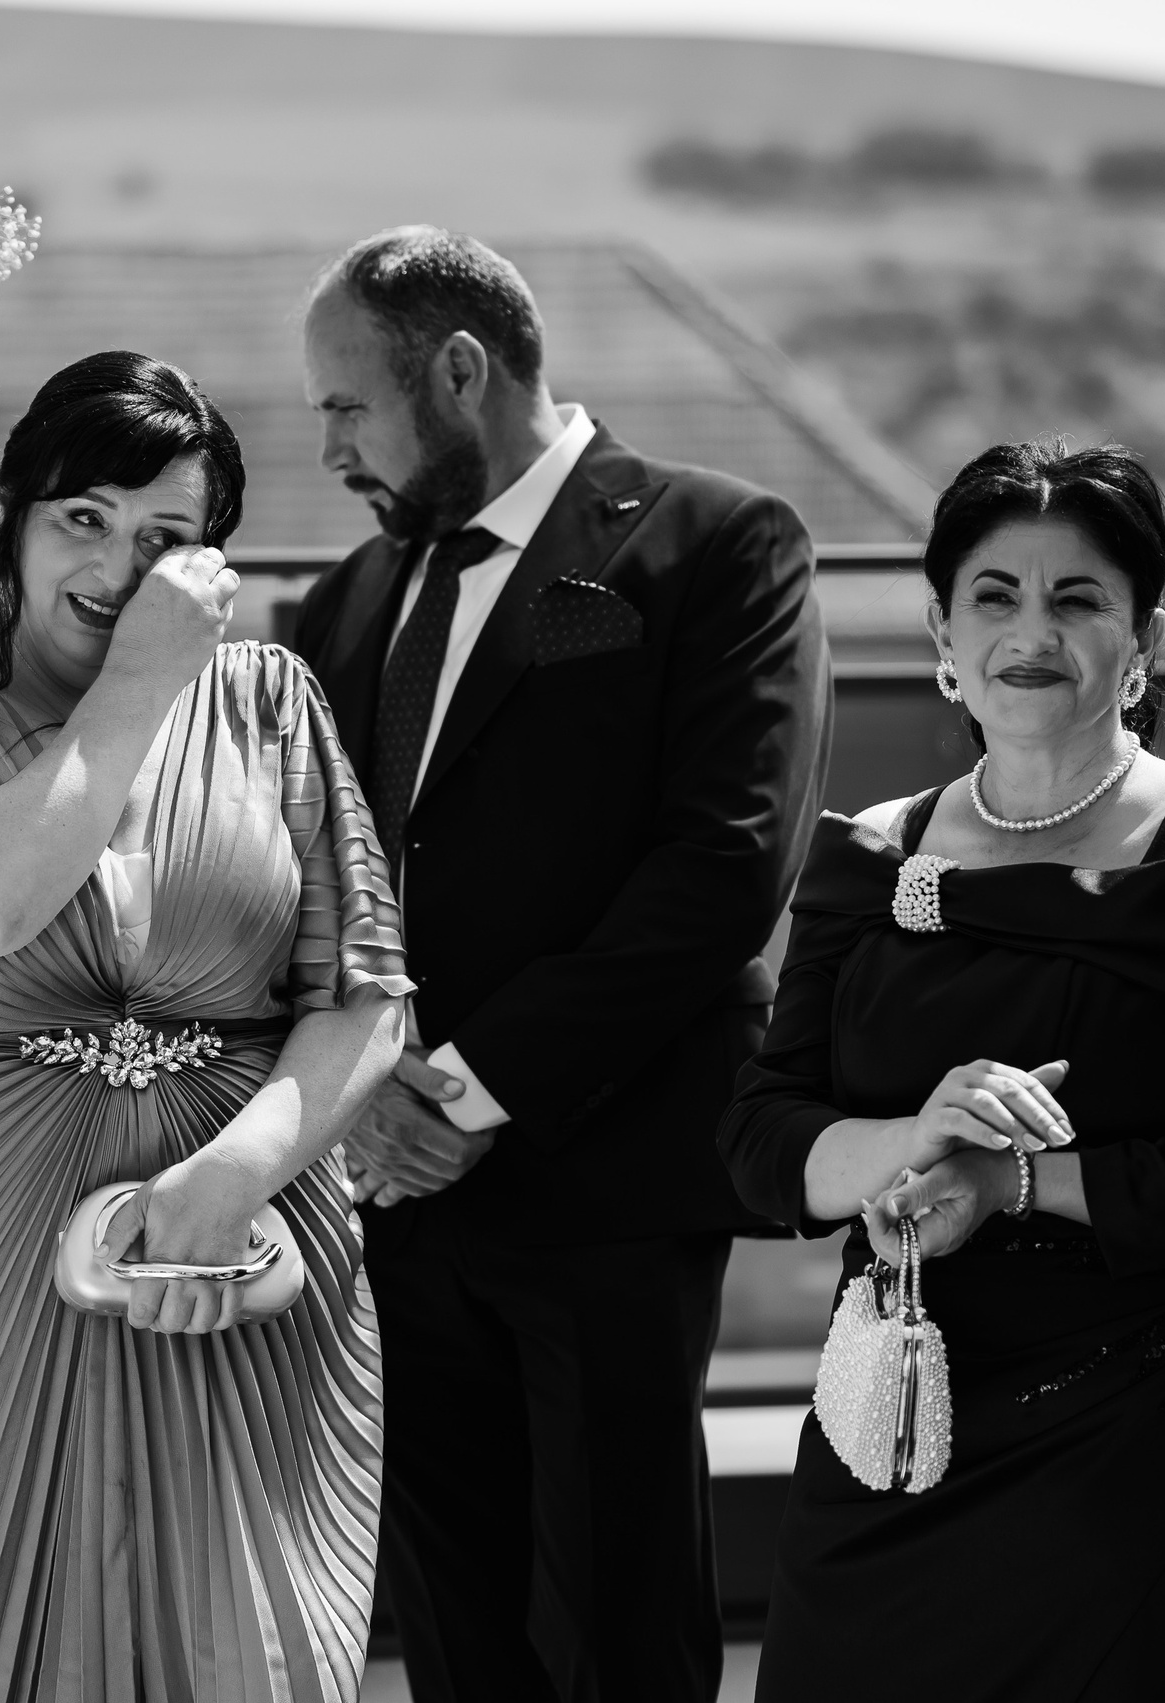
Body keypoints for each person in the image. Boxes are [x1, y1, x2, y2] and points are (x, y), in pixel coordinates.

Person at [0, 350, 411, 1703]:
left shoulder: (267, 704)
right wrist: (137, 688)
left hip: (241, 1258)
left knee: (237, 1652)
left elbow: (363, 997)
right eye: (86, 519)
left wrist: (236, 1171)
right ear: (7, 519)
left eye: (167, 539)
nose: (124, 566)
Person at [292, 226, 830, 1703]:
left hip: (605, 1185)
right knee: (454, 1634)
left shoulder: (720, 541)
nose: (329, 444)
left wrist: (461, 1092)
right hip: (390, 1205)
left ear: (460, 371)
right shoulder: (342, 602)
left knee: (616, 1628)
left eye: (348, 405)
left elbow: (725, 867)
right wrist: (364, 1105)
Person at [717, 439, 1165, 1700]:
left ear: (1142, 636)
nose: (1031, 630)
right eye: (994, 594)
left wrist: (1014, 1180)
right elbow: (763, 1133)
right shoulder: (869, 853)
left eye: (1078, 597)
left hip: (1127, 1428)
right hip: (887, 1409)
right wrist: (904, 1146)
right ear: (942, 628)